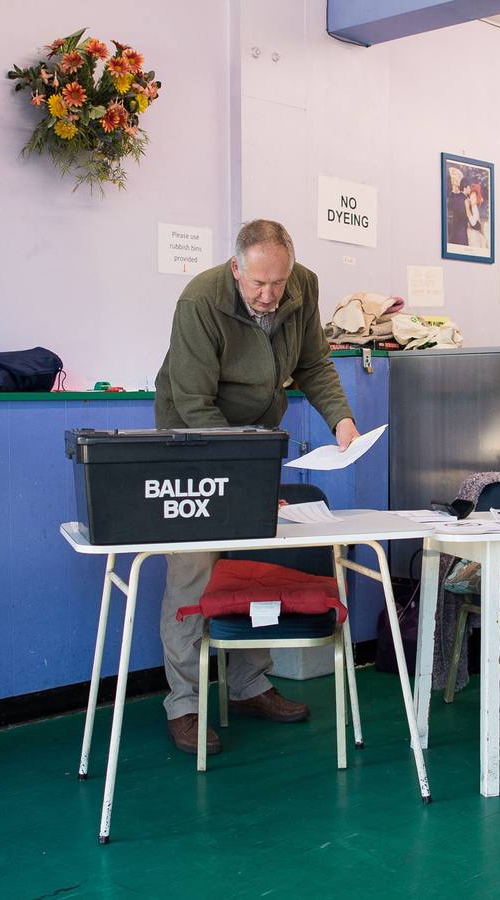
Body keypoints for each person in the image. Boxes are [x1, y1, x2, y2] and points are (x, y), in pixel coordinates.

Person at [153, 219, 359, 756]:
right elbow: (194, 405)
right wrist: (241, 478)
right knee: (193, 568)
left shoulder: (302, 287)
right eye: (257, 285)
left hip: (256, 436)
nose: (269, 296)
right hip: (193, 437)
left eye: (278, 284)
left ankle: (248, 685)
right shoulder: (199, 301)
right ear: (235, 269)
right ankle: (186, 705)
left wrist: (341, 419)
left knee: (256, 559)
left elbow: (313, 363)